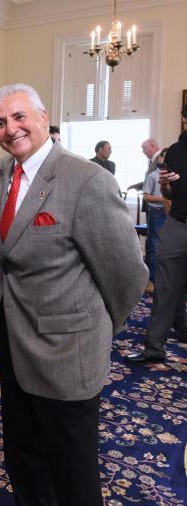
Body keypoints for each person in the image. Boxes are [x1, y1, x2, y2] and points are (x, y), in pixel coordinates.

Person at [0, 83, 147, 506]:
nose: (11, 129)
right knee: (24, 458)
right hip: (15, 350)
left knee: (73, 472)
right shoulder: (1, 174)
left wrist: (96, 333)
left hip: (68, 354)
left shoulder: (86, 179)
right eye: (1, 122)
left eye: (19, 117)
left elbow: (127, 274)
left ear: (41, 116)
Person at [127, 105, 187, 364]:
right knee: (164, 289)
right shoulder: (174, 150)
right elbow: (170, 194)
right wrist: (165, 186)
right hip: (178, 225)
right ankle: (154, 349)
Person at [142, 148, 169, 293]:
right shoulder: (153, 176)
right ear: (160, 159)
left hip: (169, 211)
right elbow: (146, 197)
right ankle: (151, 280)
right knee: (154, 246)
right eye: (165, 157)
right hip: (156, 212)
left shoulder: (173, 176)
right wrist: (162, 198)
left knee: (166, 247)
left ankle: (164, 279)